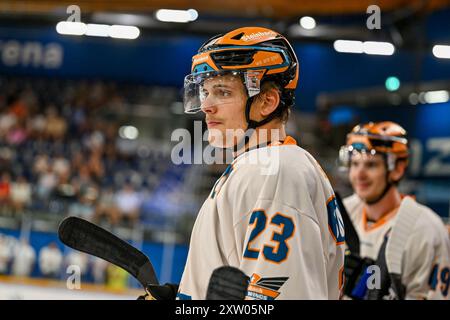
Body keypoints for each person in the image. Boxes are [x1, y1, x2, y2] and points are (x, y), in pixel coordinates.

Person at [144, 27, 345, 300]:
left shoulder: (275, 172)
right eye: (205, 91)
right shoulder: (262, 166)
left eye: (223, 91)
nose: (206, 105)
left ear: (267, 101)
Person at [339, 121, 450, 300]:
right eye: (355, 164)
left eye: (371, 165)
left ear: (397, 169)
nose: (359, 174)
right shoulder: (343, 212)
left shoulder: (427, 229)